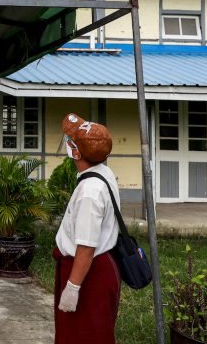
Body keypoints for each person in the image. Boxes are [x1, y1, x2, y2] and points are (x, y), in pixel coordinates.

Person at [54, 113, 121, 344]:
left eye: (70, 140)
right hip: (95, 269)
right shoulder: (103, 173)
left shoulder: (90, 192)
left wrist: (72, 288)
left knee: (83, 336)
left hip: (87, 275)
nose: (67, 141)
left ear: (75, 151)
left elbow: (86, 247)